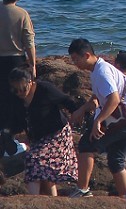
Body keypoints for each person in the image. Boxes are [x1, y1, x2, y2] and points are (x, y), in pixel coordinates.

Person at [67, 37, 126, 197]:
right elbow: (98, 97)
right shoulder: (97, 70)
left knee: (86, 145)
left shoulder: (102, 71)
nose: (75, 63)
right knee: (116, 160)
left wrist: (98, 120)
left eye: (76, 59)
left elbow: (114, 98)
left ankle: (82, 190)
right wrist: (82, 109)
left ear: (87, 55)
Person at [8, 66, 79, 196]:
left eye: (23, 89)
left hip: (57, 134)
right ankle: (52, 201)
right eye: (15, 90)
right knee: (45, 170)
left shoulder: (45, 89)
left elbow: (66, 101)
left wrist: (78, 114)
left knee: (34, 160)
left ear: (30, 82)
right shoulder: (15, 97)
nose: (20, 93)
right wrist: (9, 134)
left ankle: (33, 201)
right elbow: (15, 120)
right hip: (38, 137)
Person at [0, 0, 35, 136]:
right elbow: (29, 42)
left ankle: (3, 129)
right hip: (16, 60)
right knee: (19, 97)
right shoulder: (22, 14)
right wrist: (32, 65)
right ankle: (16, 131)